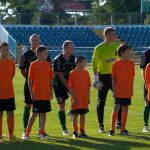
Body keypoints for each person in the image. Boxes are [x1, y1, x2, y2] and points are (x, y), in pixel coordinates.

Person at [19, 34, 51, 138]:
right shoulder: (30, 59)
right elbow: (25, 73)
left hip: (45, 92)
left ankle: (41, 131)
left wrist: (51, 91)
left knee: (44, 113)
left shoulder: (47, 63)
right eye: (33, 40)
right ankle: (26, 131)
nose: (35, 42)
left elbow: (50, 78)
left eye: (36, 40)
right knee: (32, 111)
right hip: (34, 90)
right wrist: (32, 89)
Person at [91, 27, 122, 132]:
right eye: (113, 34)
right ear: (107, 35)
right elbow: (94, 65)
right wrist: (96, 79)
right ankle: (101, 125)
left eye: (115, 34)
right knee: (101, 101)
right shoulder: (98, 48)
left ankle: (119, 122)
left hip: (114, 78)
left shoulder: (115, 47)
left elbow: (118, 63)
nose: (115, 36)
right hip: (103, 77)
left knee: (119, 99)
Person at [109, 44, 135, 136]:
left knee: (125, 108)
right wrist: (114, 90)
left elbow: (132, 77)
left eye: (129, 51)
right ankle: (112, 129)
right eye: (127, 52)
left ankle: (123, 129)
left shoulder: (131, 63)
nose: (129, 53)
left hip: (127, 91)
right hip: (118, 90)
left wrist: (131, 89)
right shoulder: (116, 64)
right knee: (116, 107)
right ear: (121, 52)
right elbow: (113, 78)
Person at [53, 40, 76, 135]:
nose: (73, 48)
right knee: (61, 105)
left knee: (75, 99)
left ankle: (71, 111)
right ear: (65, 48)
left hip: (70, 82)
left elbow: (75, 73)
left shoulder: (73, 59)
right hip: (59, 84)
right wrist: (69, 87)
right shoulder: (57, 60)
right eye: (71, 47)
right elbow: (60, 76)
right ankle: (64, 129)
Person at [68, 56, 91, 138]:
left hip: (84, 99)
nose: (85, 64)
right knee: (75, 115)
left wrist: (88, 97)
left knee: (83, 115)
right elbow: (70, 88)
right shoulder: (72, 73)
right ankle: (75, 131)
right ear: (78, 63)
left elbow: (88, 86)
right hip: (76, 99)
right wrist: (73, 99)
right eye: (84, 63)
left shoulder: (86, 73)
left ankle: (82, 131)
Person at [0, 41, 16, 142]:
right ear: (0, 50)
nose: (5, 51)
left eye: (6, 49)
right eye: (3, 49)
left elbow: (11, 76)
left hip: (9, 93)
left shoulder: (12, 63)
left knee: (10, 114)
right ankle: (0, 135)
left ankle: (11, 135)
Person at [140, 48, 150, 132]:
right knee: (147, 103)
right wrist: (146, 83)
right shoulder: (146, 53)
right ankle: (146, 125)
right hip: (149, 83)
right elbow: (143, 69)